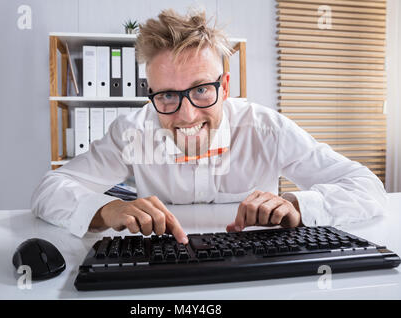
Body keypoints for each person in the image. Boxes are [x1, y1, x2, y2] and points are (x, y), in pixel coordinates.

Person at [31, 9, 387, 245]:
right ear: (150, 93)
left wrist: (297, 204)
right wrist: (105, 210)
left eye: (201, 89)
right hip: (164, 271)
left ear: (225, 87)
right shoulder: (134, 130)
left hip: (257, 271)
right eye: (168, 96)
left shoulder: (265, 129)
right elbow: (49, 189)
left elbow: (367, 187)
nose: (186, 116)